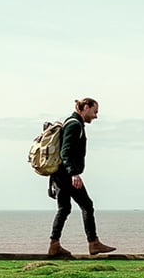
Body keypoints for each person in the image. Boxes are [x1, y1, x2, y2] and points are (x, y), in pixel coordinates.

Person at [48, 98, 116, 257]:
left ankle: (54, 244)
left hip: (59, 174)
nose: (96, 116)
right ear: (85, 107)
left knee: (64, 209)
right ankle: (93, 243)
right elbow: (65, 152)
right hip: (66, 174)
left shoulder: (70, 122)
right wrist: (73, 173)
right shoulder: (74, 125)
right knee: (87, 205)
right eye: (95, 111)